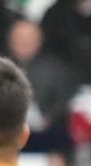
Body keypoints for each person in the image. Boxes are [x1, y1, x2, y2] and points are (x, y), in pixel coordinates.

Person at [7, 20, 77, 154]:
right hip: (7, 136)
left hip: (46, 135)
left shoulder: (56, 68)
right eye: (19, 39)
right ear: (10, 40)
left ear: (39, 41)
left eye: (29, 39)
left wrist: (48, 118)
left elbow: (63, 99)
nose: (24, 43)